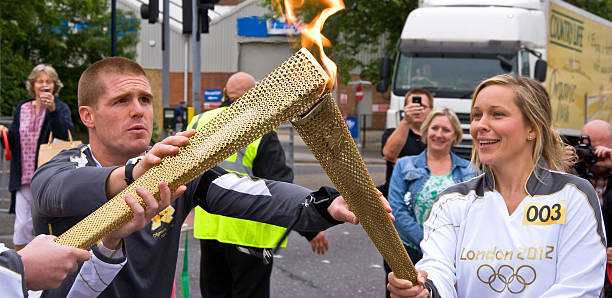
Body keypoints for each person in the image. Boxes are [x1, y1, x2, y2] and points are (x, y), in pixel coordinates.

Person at [31, 57, 377, 298]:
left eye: (145, 98)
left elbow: (252, 190)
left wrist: (325, 204)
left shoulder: (177, 169)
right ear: (87, 116)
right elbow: (52, 192)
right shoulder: (61, 168)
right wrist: (132, 174)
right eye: (121, 100)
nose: (138, 109)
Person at [387, 74, 606, 297]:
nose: (480, 125)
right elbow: (437, 268)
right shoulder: (451, 201)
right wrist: (424, 289)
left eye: (497, 114)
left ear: (532, 127)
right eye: (476, 115)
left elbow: (579, 287)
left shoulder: (573, 196)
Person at [188, 71, 329, 298]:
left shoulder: (199, 121)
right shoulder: (260, 127)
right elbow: (281, 186)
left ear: (225, 93)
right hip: (249, 232)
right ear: (255, 95)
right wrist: (310, 229)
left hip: (210, 229)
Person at [1, 182, 176, 297]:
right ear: (88, 122)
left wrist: (110, 241)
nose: (138, 122)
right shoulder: (62, 167)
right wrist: (22, 268)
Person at [388, 107, 475, 265]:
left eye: (446, 130)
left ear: (455, 135)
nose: (439, 134)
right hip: (412, 251)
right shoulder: (404, 165)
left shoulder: (470, 170)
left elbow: (475, 214)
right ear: (425, 132)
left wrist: (449, 247)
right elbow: (396, 210)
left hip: (454, 254)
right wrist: (427, 243)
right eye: (434, 128)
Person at [6, 64, 73, 250]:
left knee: (49, 224)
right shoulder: (22, 108)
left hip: (49, 176)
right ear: (33, 85)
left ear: (54, 86)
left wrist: (52, 111)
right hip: (23, 175)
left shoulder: (60, 108)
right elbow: (13, 139)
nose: (44, 85)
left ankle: (53, 264)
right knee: (22, 225)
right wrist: (4, 134)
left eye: (48, 81)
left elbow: (63, 133)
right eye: (40, 81)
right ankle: (23, 266)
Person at [380, 88, 433, 296]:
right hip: (397, 214)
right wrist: (406, 122)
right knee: (398, 277)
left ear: (431, 110)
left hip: (426, 218)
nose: (417, 109)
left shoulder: (438, 134)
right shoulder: (394, 132)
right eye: (411, 105)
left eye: (422, 105)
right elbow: (389, 153)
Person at [574, 120, 612, 297]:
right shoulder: (571, 178)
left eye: (601, 149)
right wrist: (560, 165)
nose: (596, 155)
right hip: (582, 269)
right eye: (590, 149)